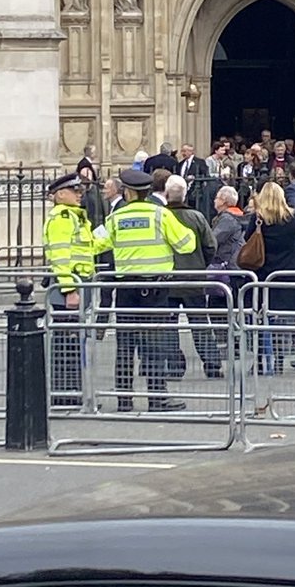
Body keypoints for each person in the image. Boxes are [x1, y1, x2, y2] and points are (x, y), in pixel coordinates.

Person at [94, 168, 196, 413]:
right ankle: (157, 398)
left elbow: (96, 243)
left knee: (125, 346)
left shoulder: (116, 218)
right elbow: (187, 244)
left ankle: (124, 400)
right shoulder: (161, 215)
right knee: (154, 345)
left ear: (128, 192)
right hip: (155, 290)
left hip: (126, 289)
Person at [42, 172, 96, 407]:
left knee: (74, 341)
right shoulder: (63, 217)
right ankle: (65, 393)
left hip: (79, 283)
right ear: (60, 195)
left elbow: (89, 246)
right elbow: (60, 255)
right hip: (69, 287)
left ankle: (72, 390)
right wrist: (69, 289)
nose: (79, 194)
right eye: (75, 191)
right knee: (67, 341)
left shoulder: (75, 217)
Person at [249, 181, 295, 373]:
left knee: (261, 318)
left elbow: (248, 240)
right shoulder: (294, 217)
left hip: (263, 270)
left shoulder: (258, 218)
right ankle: (280, 359)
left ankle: (260, 361)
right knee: (282, 320)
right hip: (287, 271)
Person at [164, 175, 221, 379]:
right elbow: (210, 245)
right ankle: (212, 363)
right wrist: (200, 264)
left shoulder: (160, 217)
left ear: (166, 194)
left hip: (168, 278)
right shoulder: (196, 217)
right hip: (193, 276)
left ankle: (175, 366)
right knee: (199, 323)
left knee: (169, 326)